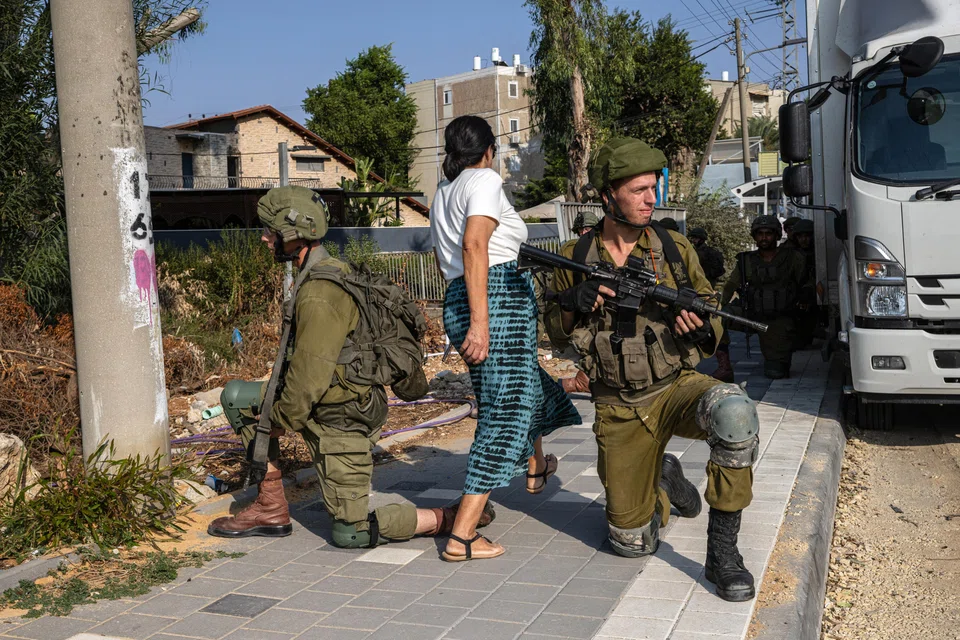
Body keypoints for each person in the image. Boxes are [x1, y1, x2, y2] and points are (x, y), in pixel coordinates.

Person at [545, 137, 760, 602]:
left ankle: (723, 554)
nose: (651, 199)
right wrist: (572, 304)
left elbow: (712, 316)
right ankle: (663, 480)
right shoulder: (576, 258)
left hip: (675, 387)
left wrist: (699, 328)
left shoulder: (673, 248)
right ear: (607, 197)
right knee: (630, 543)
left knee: (736, 416)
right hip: (617, 407)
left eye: (653, 188)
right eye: (639, 190)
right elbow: (557, 335)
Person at [208, 186, 483, 546]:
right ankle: (269, 505)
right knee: (236, 396)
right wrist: (273, 417)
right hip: (325, 402)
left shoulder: (320, 292)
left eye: (270, 231)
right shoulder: (320, 272)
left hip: (343, 415)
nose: (263, 238)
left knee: (350, 533)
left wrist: (273, 423)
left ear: (295, 234)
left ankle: (447, 517)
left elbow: (308, 379)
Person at [430, 115, 582, 562]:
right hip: (493, 301)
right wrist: (482, 323)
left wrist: (472, 315)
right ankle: (462, 535)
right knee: (505, 411)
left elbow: (459, 256)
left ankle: (535, 464)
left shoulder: (444, 192)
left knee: (529, 384)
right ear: (489, 150)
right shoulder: (483, 180)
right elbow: (475, 247)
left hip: (464, 296)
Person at [717, 215, 813, 380]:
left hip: (779, 320)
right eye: (759, 233)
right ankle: (724, 366)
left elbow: (808, 283)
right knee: (716, 319)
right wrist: (716, 306)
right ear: (754, 236)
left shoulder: (793, 258)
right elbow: (730, 286)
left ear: (776, 235)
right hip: (751, 314)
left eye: (768, 233)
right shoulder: (746, 260)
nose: (764, 237)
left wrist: (805, 300)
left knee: (776, 372)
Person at [791, 219, 818, 349]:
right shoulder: (790, 253)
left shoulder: (818, 253)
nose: (804, 240)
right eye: (800, 236)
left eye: (807, 236)